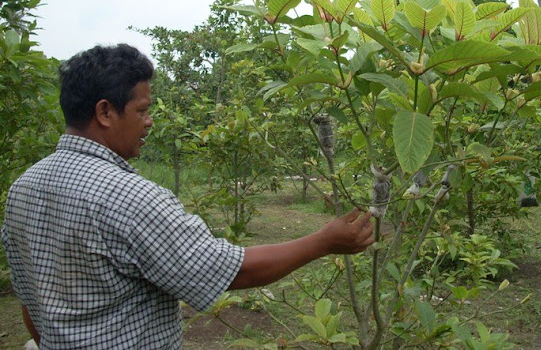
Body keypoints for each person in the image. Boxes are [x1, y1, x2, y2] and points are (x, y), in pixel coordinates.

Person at [1, 44, 374, 349]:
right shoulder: (130, 198)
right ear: (104, 112)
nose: (149, 122)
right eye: (142, 110)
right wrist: (324, 242)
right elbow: (233, 271)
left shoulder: (23, 188)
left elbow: (32, 303)